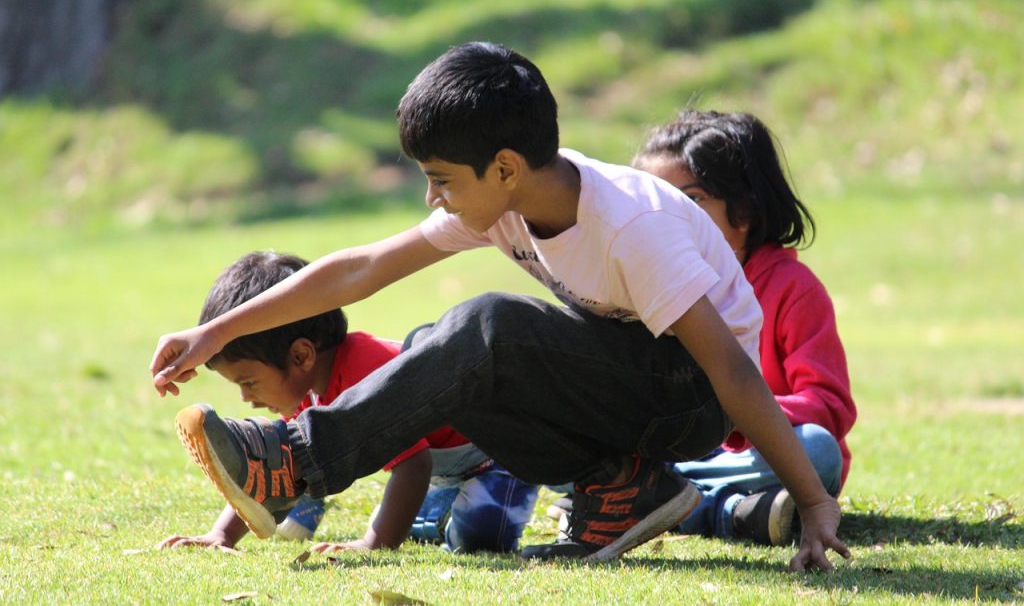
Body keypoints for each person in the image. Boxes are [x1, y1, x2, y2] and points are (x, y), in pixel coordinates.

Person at [149, 42, 850, 570]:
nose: (433, 200)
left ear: (506, 168)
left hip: (693, 394)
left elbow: (729, 369)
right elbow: (362, 268)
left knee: (487, 325)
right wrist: (216, 331)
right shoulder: (504, 203)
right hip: (633, 387)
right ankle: (617, 492)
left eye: (441, 180)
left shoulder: (631, 227)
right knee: (439, 348)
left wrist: (816, 501)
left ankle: (294, 464)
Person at [155, 250, 538, 554]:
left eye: (250, 381)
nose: (245, 398)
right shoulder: (306, 387)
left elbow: (413, 464)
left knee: (479, 541)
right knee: (311, 460)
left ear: (302, 355)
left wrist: (375, 544)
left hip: (497, 457)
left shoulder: (365, 373)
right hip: (444, 468)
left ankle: (572, 497)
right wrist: (221, 534)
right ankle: (432, 509)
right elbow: (285, 464)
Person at [627, 109, 857, 546]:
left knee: (819, 450)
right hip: (679, 453)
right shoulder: (644, 282)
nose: (666, 221)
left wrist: (743, 417)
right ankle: (730, 514)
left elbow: (830, 405)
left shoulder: (794, 289)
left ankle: (656, 501)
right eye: (652, 203)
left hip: (759, 453)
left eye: (690, 202)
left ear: (744, 212)